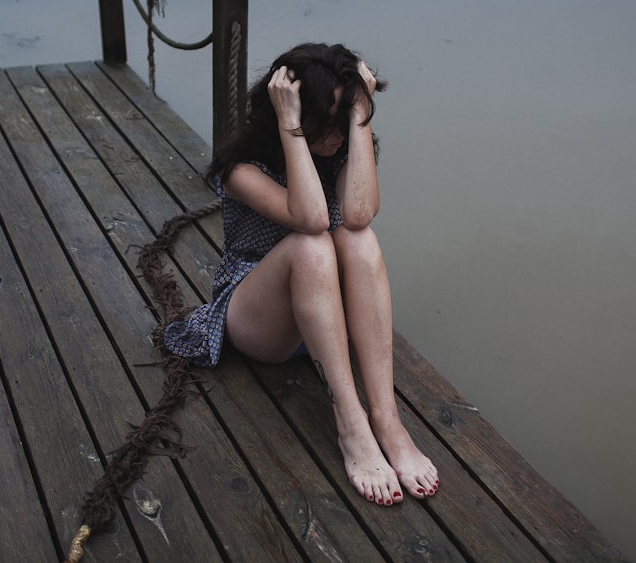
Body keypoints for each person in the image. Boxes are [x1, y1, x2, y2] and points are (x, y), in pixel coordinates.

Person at [164, 42, 438, 506]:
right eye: (324, 121)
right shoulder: (240, 168)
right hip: (260, 318)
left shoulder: (344, 143)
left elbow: (359, 213)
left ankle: (387, 420)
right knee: (312, 247)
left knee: (358, 237)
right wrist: (291, 128)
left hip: (325, 317)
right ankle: (351, 424)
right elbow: (310, 219)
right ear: (292, 114)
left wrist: (360, 117)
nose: (334, 134)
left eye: (341, 118)